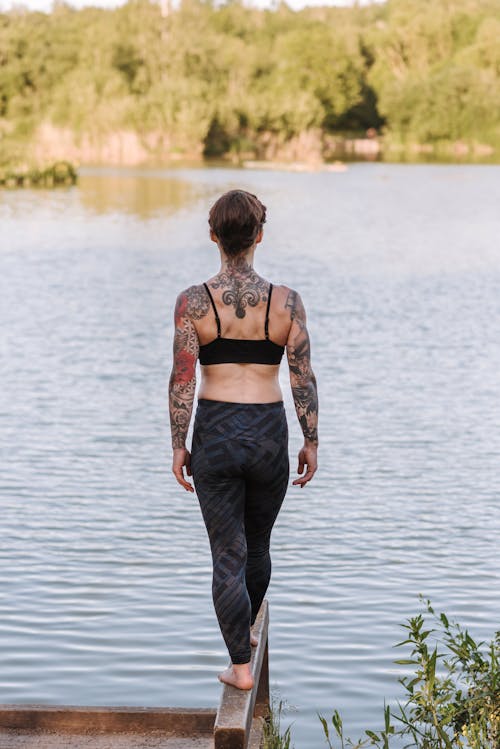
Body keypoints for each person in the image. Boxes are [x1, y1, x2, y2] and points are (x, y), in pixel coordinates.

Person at [168, 189, 318, 691]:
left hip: (215, 432)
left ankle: (239, 667)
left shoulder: (193, 302)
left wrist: (178, 443)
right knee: (256, 547)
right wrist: (311, 440)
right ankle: (245, 637)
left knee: (226, 554)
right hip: (269, 434)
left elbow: (182, 379)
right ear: (259, 235)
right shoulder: (286, 302)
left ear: (213, 235)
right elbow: (302, 378)